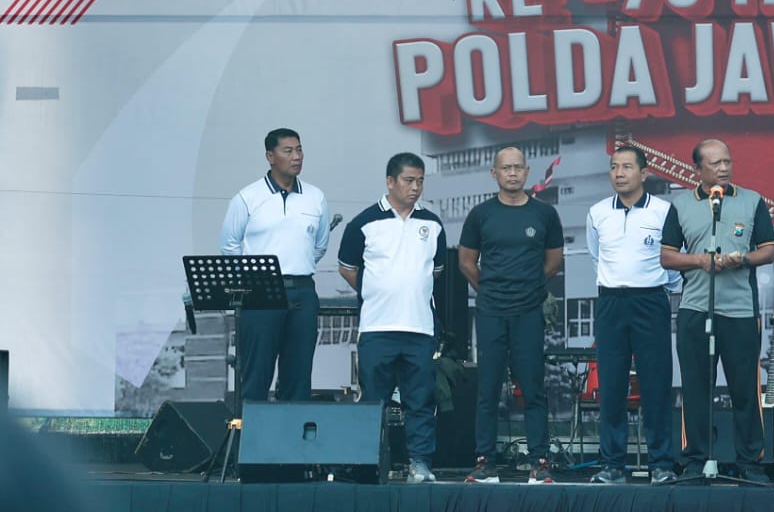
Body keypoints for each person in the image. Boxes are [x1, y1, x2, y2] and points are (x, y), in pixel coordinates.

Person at [661, 138, 774, 483]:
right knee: (696, 389)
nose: (724, 168)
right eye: (715, 164)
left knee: (745, 390)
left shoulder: (752, 201)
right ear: (697, 169)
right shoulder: (681, 205)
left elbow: (768, 250)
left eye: (727, 162)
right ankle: (695, 459)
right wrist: (700, 260)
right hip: (696, 308)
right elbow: (667, 256)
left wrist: (742, 259)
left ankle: (750, 462)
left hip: (740, 310)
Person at [338, 153, 447, 484]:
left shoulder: (433, 224)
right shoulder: (363, 223)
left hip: (419, 328)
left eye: (420, 181)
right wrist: (379, 291)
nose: (415, 187)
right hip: (377, 328)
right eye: (408, 180)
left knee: (420, 401)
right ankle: (369, 463)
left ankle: (420, 463)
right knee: (374, 401)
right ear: (390, 181)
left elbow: (436, 271)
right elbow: (347, 268)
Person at [459, 146, 565, 484]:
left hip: (528, 312)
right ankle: (484, 462)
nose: (513, 173)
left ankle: (539, 461)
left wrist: (530, 288)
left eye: (518, 167)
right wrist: (491, 288)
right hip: (491, 311)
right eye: (506, 168)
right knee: (488, 390)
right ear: (495, 173)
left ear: (527, 171)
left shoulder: (544, 214)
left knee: (533, 389)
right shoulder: (481, 215)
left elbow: (554, 261)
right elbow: (466, 262)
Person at [585, 145, 681, 485]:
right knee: (611, 385)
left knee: (656, 384)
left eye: (627, 167)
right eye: (614, 167)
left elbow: (674, 262)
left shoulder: (664, 211)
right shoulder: (597, 212)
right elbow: (596, 257)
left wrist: (656, 289)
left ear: (644, 172)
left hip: (650, 301)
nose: (619, 173)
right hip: (611, 302)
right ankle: (612, 465)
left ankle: (661, 464)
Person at [220, 127, 331, 403]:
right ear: (270, 156)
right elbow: (230, 246)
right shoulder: (247, 197)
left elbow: (319, 246)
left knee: (298, 375)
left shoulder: (315, 197)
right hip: (261, 290)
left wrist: (296, 264)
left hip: (303, 290)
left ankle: (293, 431)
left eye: (299, 150)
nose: (297, 157)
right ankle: (252, 430)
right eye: (288, 151)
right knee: (256, 373)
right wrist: (252, 279)